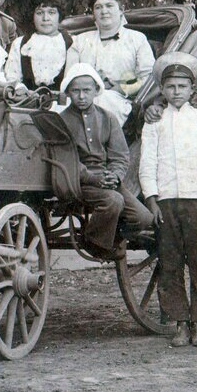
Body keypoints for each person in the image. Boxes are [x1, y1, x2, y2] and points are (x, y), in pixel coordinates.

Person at [139, 53, 197, 348]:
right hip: (167, 202)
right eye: (171, 86)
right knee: (171, 264)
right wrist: (151, 197)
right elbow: (147, 162)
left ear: (191, 90)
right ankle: (179, 323)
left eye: (182, 86)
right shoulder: (154, 121)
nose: (176, 92)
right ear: (162, 89)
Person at [59, 63, 154, 261]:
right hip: (78, 181)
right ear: (68, 92)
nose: (82, 96)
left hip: (107, 180)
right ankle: (94, 242)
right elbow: (68, 161)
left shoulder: (107, 118)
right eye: (76, 91)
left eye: (87, 90)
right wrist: (94, 179)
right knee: (113, 200)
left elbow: (120, 155)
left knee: (144, 219)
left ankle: (111, 235)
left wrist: (115, 175)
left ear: (96, 91)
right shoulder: (61, 121)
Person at [64, 0, 155, 126]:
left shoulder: (137, 39)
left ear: (121, 10)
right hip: (81, 97)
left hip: (118, 100)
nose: (104, 11)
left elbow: (147, 76)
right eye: (98, 7)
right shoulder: (80, 41)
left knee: (104, 101)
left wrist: (121, 87)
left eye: (109, 6)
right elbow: (69, 77)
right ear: (93, 13)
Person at [4, 0, 71, 91]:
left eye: (51, 12)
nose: (45, 18)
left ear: (59, 15)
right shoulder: (20, 44)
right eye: (39, 13)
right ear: (32, 15)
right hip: (28, 102)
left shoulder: (72, 43)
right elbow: (12, 78)